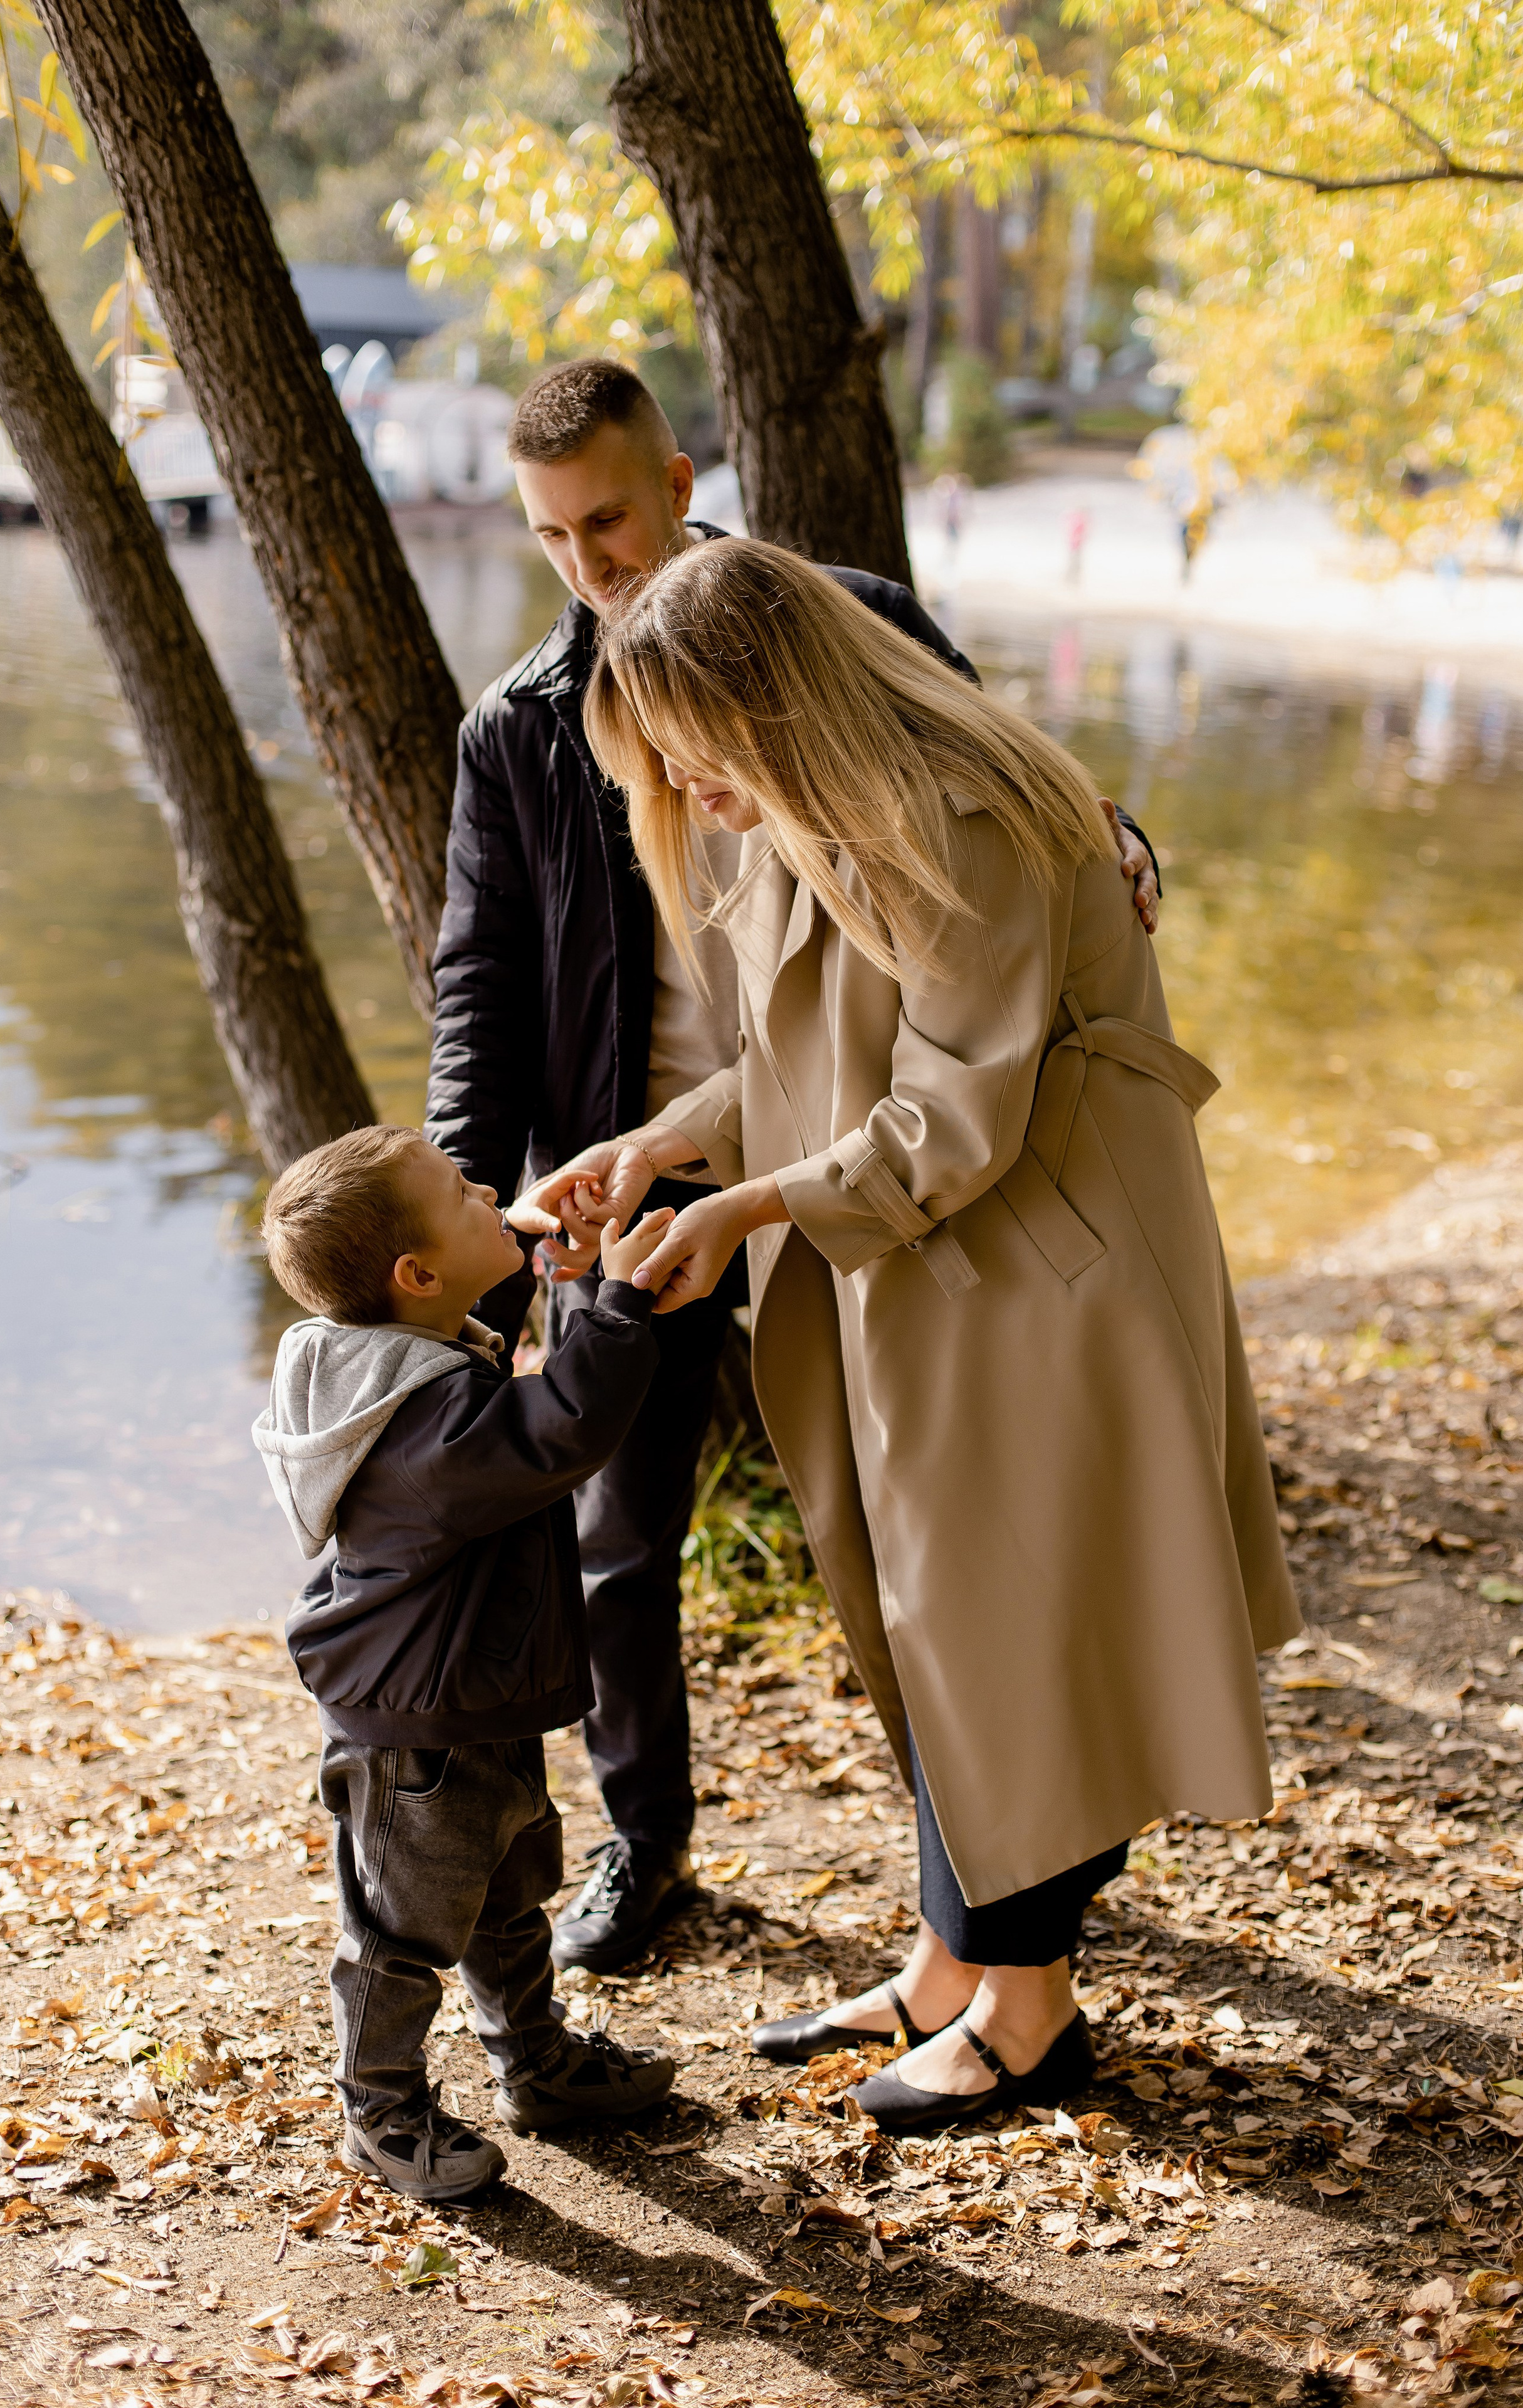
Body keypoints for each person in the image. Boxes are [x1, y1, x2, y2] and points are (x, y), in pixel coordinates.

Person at [518, 537, 1301, 2136]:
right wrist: (664, 1145)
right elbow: (817, 1063)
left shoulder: (962, 820)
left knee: (1006, 1630)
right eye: (653, 751)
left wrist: (738, 1216)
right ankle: (951, 1966)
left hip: (1047, 1267)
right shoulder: (804, 817)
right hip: (938, 1265)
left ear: (777, 701)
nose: (676, 781)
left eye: (691, 742)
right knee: (931, 1614)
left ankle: (1029, 2013)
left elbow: (947, 1115)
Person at [426, 356, 1162, 1974]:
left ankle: (991, 1906)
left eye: (608, 522)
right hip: (667, 1163)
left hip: (866, 1145)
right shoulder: (524, 725)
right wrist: (470, 1232)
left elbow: (1003, 802)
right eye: (552, 541)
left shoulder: (845, 623)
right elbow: (477, 989)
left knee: (925, 1523)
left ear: (677, 481)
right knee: (625, 1538)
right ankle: (652, 1845)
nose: (588, 568)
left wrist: (1121, 845)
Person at [251, 1124, 679, 2200]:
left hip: (472, 1704)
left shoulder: (402, 1364)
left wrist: (550, 1259)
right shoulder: (423, 1431)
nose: (491, 1185)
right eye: (462, 1190)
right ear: (418, 1273)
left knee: (507, 1897)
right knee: (401, 1934)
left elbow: (472, 1341)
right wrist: (617, 1304)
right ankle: (382, 2113)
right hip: (415, 1741)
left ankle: (532, 2063)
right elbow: (555, 1430)